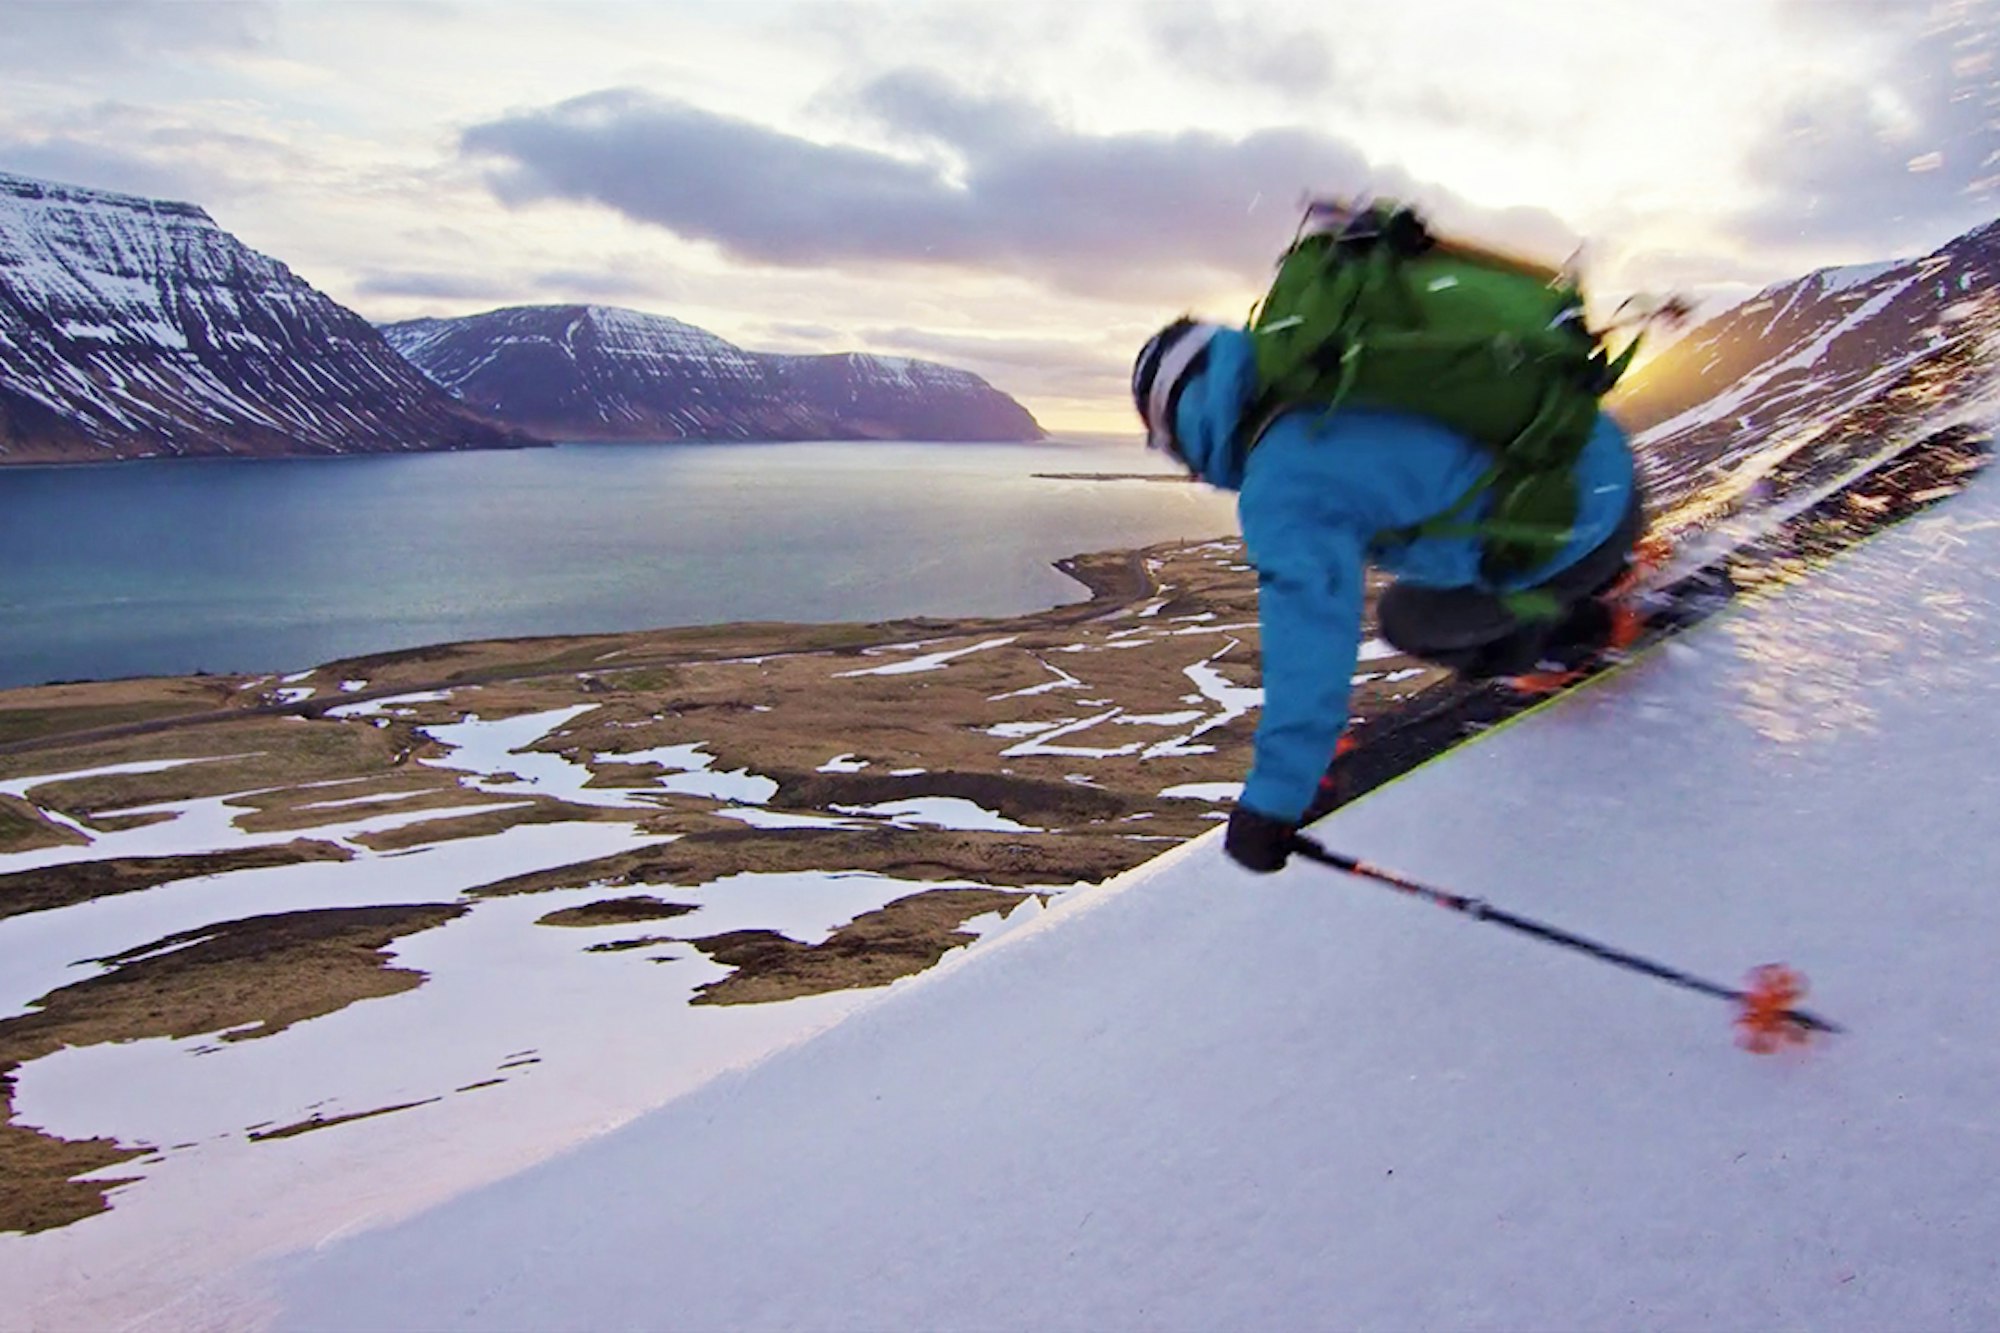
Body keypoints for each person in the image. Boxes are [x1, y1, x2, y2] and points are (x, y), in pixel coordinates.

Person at [1132, 317, 1644, 875]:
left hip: (1582, 526)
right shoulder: (1343, 369)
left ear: (1184, 424)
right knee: (1455, 549)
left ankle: (1576, 639)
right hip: (1607, 466)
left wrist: (1278, 799)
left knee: (1409, 616)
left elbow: (1311, 635)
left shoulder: (1285, 476)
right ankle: (1603, 570)